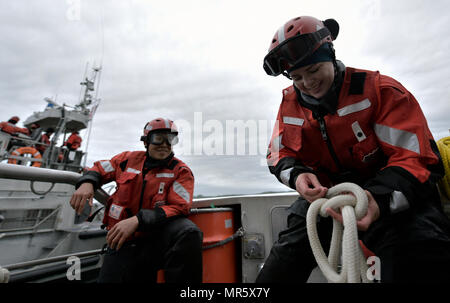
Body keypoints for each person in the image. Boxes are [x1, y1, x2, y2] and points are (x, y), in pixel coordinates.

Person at [257, 16, 450, 283]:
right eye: (297, 77)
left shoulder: (381, 92)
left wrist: (377, 200)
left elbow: (418, 160)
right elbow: (279, 154)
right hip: (327, 197)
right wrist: (299, 176)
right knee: (280, 266)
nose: (307, 84)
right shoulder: (290, 104)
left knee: (420, 255)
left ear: (331, 55)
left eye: (313, 71)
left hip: (391, 197)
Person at [69, 118, 203, 283]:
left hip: (152, 241)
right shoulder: (127, 160)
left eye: (171, 139)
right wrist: (87, 183)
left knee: (188, 232)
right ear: (146, 141)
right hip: (120, 241)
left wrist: (138, 220)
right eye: (158, 138)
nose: (165, 144)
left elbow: (179, 206)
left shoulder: (180, 171)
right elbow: (100, 168)